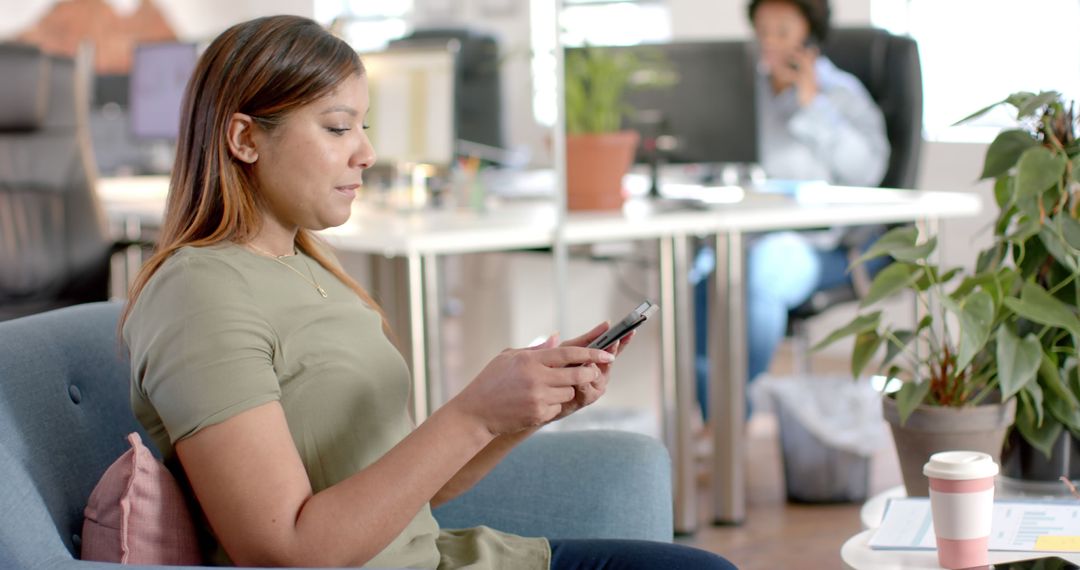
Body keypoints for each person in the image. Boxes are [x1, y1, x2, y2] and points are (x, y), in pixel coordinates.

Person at [120, 15, 735, 570]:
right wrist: (473, 413)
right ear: (245, 139)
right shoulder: (199, 294)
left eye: (362, 126)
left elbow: (413, 489)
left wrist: (521, 414)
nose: (366, 152)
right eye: (337, 128)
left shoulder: (307, 262)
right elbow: (287, 550)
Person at [694, 0, 891, 419]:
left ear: (809, 35)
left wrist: (811, 106)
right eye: (762, 31)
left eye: (782, 31)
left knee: (767, 267)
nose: (769, 42)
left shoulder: (840, 94)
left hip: (822, 249)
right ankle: (715, 419)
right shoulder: (746, 93)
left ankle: (735, 416)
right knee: (697, 276)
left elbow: (869, 171)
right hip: (746, 236)